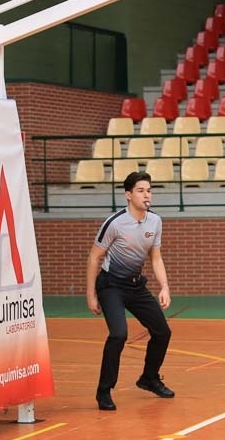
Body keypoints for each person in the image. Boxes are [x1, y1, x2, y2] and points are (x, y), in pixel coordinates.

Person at [87, 171, 174, 411]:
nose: (146, 195)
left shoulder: (155, 221)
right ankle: (104, 391)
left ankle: (149, 378)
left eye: (149, 190)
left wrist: (164, 286)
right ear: (128, 195)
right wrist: (91, 295)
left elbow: (155, 257)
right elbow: (95, 257)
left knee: (162, 332)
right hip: (111, 285)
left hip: (135, 285)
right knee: (118, 335)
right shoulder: (115, 222)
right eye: (140, 190)